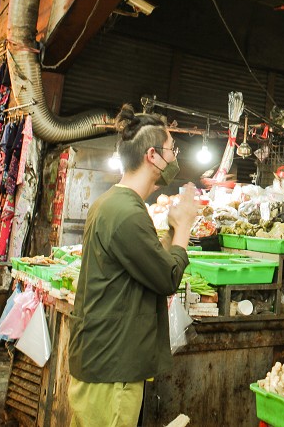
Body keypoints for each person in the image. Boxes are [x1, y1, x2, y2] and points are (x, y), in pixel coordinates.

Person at [67, 104, 198, 427]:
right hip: (112, 368)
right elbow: (167, 277)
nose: (175, 157)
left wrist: (170, 229)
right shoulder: (125, 212)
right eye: (172, 149)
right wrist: (183, 228)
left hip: (106, 361)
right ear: (152, 155)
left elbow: (152, 266)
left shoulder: (115, 203)